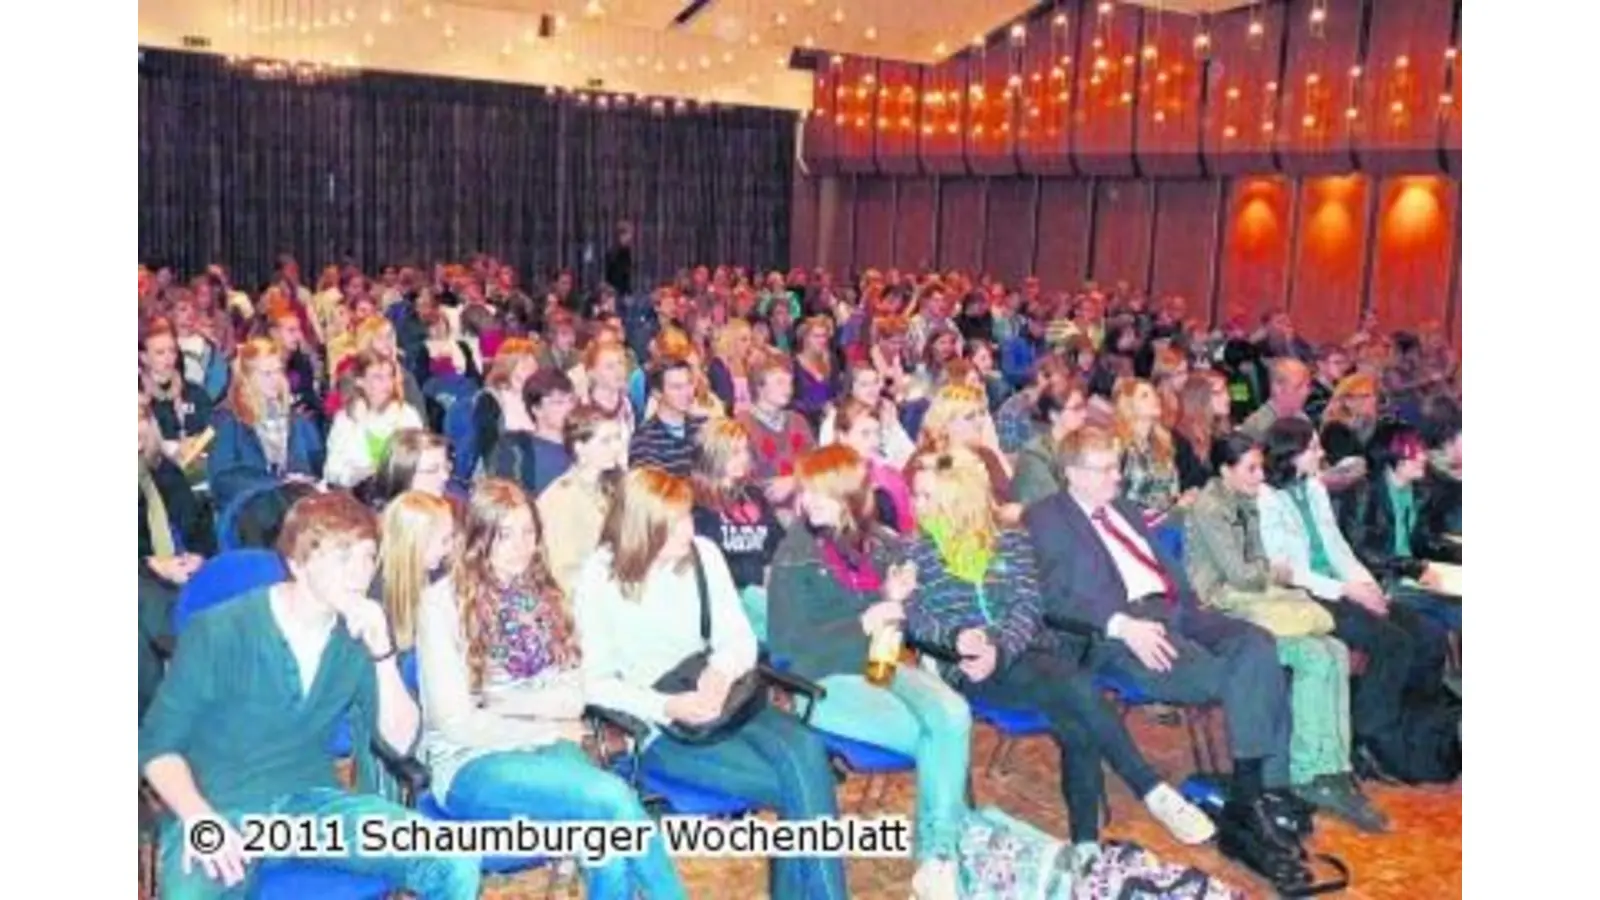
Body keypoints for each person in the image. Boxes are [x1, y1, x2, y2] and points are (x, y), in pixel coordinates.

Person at [139, 491, 482, 899]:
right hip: (221, 807)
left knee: (452, 860)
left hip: (309, 807)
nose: (359, 572)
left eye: (368, 556)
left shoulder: (355, 637)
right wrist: (197, 817)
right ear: (298, 563)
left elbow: (399, 742)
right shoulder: (219, 631)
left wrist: (383, 653)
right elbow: (156, 747)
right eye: (343, 557)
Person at [903, 449, 1215, 862]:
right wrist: (957, 638)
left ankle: (1086, 847)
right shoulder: (915, 556)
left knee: (1076, 716)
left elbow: (1027, 608)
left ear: (957, 499)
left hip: (1024, 656)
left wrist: (998, 645)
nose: (914, 505)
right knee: (1078, 694)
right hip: (970, 671)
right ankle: (1146, 791)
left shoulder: (1009, 543)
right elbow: (916, 621)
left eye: (926, 496)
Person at [1023, 427, 1298, 869]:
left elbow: (1167, 568)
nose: (1118, 477)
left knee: (1259, 646)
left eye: (1118, 465)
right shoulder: (1046, 518)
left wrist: (1193, 608)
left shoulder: (1125, 510)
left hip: (1179, 612)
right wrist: (1121, 626)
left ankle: (1259, 792)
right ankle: (1254, 800)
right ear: (1073, 474)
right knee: (1235, 678)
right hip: (1125, 630)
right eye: (1107, 468)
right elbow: (1052, 595)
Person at [403, 481, 686, 900]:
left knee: (602, 830)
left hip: (546, 750)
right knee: (612, 799)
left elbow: (572, 698)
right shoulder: (441, 604)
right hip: (470, 764)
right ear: (479, 537)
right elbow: (456, 723)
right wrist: (545, 728)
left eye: (528, 532)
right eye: (505, 533)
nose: (520, 546)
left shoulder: (546, 595)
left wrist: (502, 703)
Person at [574, 468, 846, 900]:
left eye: (687, 516)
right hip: (661, 727)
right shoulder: (600, 577)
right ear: (642, 528)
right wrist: (668, 706)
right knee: (807, 788)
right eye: (676, 521)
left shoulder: (703, 554)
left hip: (727, 699)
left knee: (807, 754)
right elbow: (594, 683)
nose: (690, 527)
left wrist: (718, 674)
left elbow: (737, 638)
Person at [767, 445, 968, 897]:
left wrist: (893, 594)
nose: (807, 501)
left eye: (821, 492)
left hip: (880, 661)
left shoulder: (882, 543)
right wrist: (866, 618)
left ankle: (937, 862)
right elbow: (789, 649)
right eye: (806, 491)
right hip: (822, 680)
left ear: (851, 497)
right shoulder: (792, 556)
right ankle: (941, 857)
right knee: (933, 739)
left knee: (953, 715)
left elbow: (900, 622)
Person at [1183, 433, 1385, 832]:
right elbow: (1240, 574)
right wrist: (1279, 572)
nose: (1261, 477)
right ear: (1224, 471)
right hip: (1224, 606)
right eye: (1251, 469)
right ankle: (1309, 772)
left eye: (1261, 467)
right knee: (1312, 654)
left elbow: (1260, 566)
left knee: (1335, 651)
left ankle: (1333, 768)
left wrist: (1277, 572)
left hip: (1255, 594)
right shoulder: (1210, 508)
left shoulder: (1245, 500)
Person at [1258, 418, 1451, 780]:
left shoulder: (1313, 487)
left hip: (1341, 585)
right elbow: (1285, 571)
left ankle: (1412, 728)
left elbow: (1337, 546)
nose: (1322, 453)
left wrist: (1366, 585)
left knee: (1428, 634)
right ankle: (1371, 737)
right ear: (1292, 454)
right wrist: (1347, 591)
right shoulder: (1267, 500)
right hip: (1306, 596)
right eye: (1314, 448)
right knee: (1392, 642)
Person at [1336, 423, 1462, 632]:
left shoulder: (1420, 491)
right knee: (1448, 617)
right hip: (1384, 580)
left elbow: (1424, 541)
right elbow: (1360, 550)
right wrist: (1411, 568)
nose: (1422, 457)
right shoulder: (1363, 493)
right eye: (1414, 451)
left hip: (1413, 575)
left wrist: (1457, 553)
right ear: (1393, 457)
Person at [139, 401, 214, 721]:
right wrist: (149, 563)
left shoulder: (162, 469)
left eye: (140, 417)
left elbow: (199, 521)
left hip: (180, 565)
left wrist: (199, 554)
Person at [692, 420, 784, 641]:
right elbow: (704, 564)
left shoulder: (753, 494)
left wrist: (776, 571)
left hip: (765, 590)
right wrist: (757, 574)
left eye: (745, 450)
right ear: (713, 455)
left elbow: (779, 543)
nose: (743, 457)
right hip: (730, 596)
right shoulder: (695, 502)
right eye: (734, 452)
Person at [208, 338, 325, 512]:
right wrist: (279, 485)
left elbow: (318, 466)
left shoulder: (300, 421)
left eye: (278, 371)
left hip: (297, 509)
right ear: (247, 378)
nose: (275, 380)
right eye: (266, 374)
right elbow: (222, 480)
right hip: (250, 512)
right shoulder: (229, 421)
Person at [537, 407, 628, 598]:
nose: (617, 447)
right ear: (580, 448)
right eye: (605, 441)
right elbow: (562, 572)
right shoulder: (560, 499)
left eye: (618, 438)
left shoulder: (616, 484)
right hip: (587, 599)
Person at [324, 353, 427, 489]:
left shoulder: (407, 415)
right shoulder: (345, 419)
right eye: (378, 377)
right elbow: (332, 471)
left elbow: (419, 462)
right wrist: (358, 475)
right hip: (356, 491)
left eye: (390, 376)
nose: (387, 383)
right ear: (360, 381)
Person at [487, 369, 576, 497]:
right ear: (536, 409)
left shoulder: (584, 445)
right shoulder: (517, 450)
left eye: (572, 400)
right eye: (559, 403)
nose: (569, 408)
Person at [1112, 378, 1191, 521]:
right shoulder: (1119, 446)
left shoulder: (1163, 443)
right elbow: (1114, 498)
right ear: (1129, 405)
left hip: (1167, 522)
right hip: (1134, 524)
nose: (1154, 398)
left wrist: (1182, 502)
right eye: (1144, 396)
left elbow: (1171, 492)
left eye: (1154, 394)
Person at [831, 400, 916, 534]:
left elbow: (907, 527)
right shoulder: (826, 477)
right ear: (843, 437)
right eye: (865, 434)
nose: (874, 441)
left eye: (877, 433)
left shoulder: (890, 477)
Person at [1012, 375, 1089, 507]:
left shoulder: (1082, 443)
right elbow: (1055, 506)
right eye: (1077, 408)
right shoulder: (1035, 456)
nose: (1085, 414)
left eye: (1084, 406)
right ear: (1054, 415)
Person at [142, 319, 215, 456]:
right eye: (160, 353)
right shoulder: (140, 399)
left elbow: (211, 429)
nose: (168, 358)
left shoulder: (194, 391)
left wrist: (195, 444)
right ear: (144, 358)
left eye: (172, 351)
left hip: (198, 463)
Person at [629, 357, 707, 478]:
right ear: (657, 393)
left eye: (689, 384)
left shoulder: (704, 428)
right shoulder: (644, 441)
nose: (687, 393)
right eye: (677, 387)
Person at [362, 429, 453, 508]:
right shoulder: (373, 524)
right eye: (432, 469)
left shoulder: (449, 507)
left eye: (446, 467)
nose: (445, 477)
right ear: (402, 474)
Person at [1239, 358, 1312, 441]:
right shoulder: (1258, 427)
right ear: (1278, 389)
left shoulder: (1303, 417)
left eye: (1307, 386)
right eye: (1298, 387)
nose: (1306, 392)